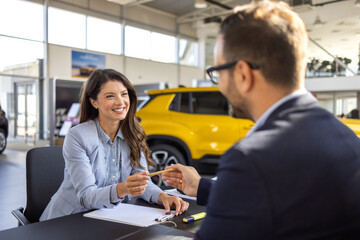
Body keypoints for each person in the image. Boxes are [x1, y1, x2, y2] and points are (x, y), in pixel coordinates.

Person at [162, 1, 360, 239]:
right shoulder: (347, 138)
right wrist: (201, 187)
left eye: (218, 73)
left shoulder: (252, 158)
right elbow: (287, 199)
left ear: (243, 74)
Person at [40, 69, 188, 221]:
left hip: (110, 218)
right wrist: (122, 189)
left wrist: (162, 197)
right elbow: (86, 196)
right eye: (110, 96)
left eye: (124, 94)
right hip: (70, 220)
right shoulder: (78, 136)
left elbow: (142, 183)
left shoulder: (134, 134)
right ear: (94, 102)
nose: (120, 102)